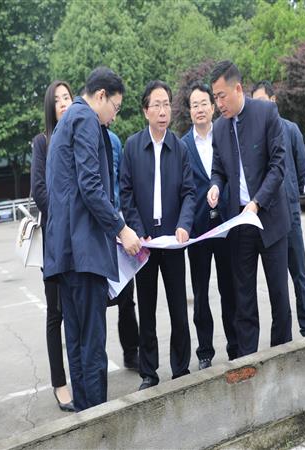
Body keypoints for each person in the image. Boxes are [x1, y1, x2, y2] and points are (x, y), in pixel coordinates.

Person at [44, 67, 141, 411]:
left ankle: (85, 415)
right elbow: (91, 185)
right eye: (115, 107)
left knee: (77, 342)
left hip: (65, 254)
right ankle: (98, 420)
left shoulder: (65, 123)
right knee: (92, 344)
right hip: (84, 252)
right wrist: (121, 229)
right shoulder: (85, 119)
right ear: (101, 96)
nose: (114, 117)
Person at [207, 61, 292, 357]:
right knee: (243, 298)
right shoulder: (220, 128)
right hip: (240, 222)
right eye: (215, 97)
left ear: (238, 89)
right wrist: (215, 186)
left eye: (222, 96)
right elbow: (218, 169)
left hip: (269, 218)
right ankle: (247, 359)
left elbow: (278, 165)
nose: (219, 104)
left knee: (279, 293)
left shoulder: (266, 113)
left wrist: (257, 203)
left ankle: (282, 355)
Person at [120, 80, 196, 390]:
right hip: (144, 245)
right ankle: (149, 372)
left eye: (167, 104)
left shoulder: (180, 148)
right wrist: (138, 232)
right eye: (157, 105)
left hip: (174, 241)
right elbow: (125, 193)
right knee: (147, 308)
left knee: (179, 307)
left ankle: (181, 368)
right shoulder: (132, 147)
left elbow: (190, 192)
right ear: (145, 111)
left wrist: (184, 224)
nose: (163, 111)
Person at [252, 81, 305, 337]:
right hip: (268, 217)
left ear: (273, 100)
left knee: (299, 272)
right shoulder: (254, 133)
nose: (259, 107)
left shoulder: (290, 129)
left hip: (290, 212)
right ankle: (284, 329)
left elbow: (301, 169)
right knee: (277, 280)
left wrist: (290, 195)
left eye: (262, 101)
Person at [181, 81, 237, 369]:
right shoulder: (182, 146)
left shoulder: (226, 135)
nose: (200, 109)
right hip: (198, 231)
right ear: (189, 111)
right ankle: (205, 352)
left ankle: (235, 345)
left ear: (213, 107)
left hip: (227, 226)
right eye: (195, 105)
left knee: (230, 290)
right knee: (200, 294)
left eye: (204, 103)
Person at [31, 80, 75, 412]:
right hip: (55, 240)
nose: (62, 102)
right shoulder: (42, 142)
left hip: (81, 239)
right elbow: (39, 191)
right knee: (55, 312)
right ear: (50, 106)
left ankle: (81, 375)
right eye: (57, 99)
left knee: (78, 310)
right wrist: (64, 219)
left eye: (67, 97)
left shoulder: (79, 136)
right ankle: (59, 383)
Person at [103, 127, 139, 371]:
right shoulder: (81, 137)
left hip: (119, 225)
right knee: (96, 301)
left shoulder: (115, 141)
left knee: (127, 297)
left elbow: (122, 182)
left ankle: (131, 352)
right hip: (95, 227)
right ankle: (97, 360)